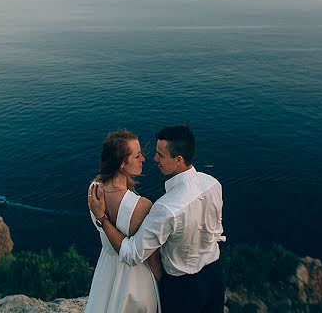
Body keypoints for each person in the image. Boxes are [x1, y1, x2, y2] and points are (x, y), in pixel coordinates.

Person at [89, 125, 226, 313]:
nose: (153, 159)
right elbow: (216, 230)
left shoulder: (165, 208)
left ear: (178, 159)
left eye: (160, 155)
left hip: (183, 287)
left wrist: (102, 218)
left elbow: (131, 254)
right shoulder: (212, 184)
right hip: (215, 276)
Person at [85, 130, 162, 313]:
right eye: (137, 156)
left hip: (106, 271)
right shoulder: (142, 206)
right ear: (121, 164)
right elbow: (153, 260)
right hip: (135, 280)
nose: (143, 158)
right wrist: (161, 282)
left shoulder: (94, 189)